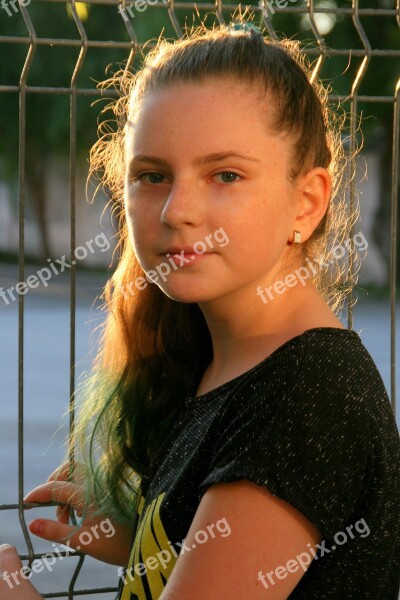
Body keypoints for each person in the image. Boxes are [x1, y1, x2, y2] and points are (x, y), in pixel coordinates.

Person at [1, 17, 399, 600]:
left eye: (226, 175)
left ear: (306, 202)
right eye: (153, 175)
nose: (176, 211)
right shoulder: (224, 359)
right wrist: (149, 540)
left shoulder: (306, 393)